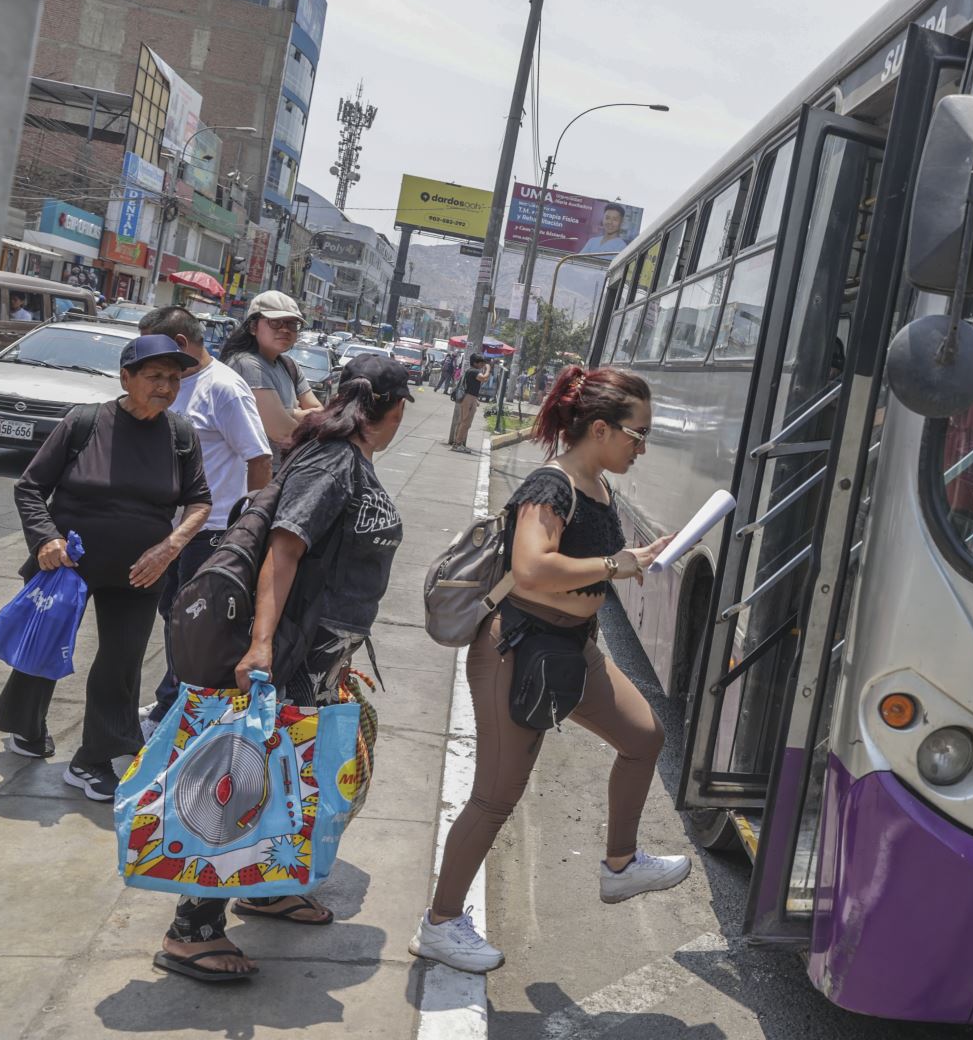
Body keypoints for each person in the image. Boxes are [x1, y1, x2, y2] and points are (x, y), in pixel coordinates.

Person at [414, 367, 683, 974]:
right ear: (599, 428)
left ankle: (620, 865)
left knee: (644, 737)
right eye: (638, 435)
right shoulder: (551, 485)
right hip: (520, 649)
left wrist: (632, 562)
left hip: (574, 647)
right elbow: (533, 568)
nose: (642, 447)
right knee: (495, 796)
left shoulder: (599, 485)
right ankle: (439, 923)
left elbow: (585, 564)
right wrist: (617, 564)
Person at [156, 354, 412, 982]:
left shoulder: (350, 458)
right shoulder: (335, 461)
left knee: (299, 779)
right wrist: (262, 646)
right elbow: (285, 548)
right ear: (394, 407)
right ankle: (192, 929)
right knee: (248, 782)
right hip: (291, 655)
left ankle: (267, 887)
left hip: (321, 658)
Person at [0, 336, 211, 799]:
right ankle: (26, 729)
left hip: (141, 570)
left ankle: (94, 759)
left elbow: (199, 502)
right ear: (126, 377)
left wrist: (170, 547)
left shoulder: (180, 435)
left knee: (122, 660)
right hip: (68, 563)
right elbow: (30, 488)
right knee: (44, 645)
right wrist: (47, 538)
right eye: (154, 376)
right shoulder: (85, 422)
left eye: (173, 378)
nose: (166, 386)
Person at [136, 307, 274, 736]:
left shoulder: (224, 389)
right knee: (171, 616)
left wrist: (248, 524)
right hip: (166, 528)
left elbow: (260, 457)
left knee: (195, 625)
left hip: (211, 531)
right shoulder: (170, 384)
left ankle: (174, 710)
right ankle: (170, 699)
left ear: (179, 344)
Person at [220, 290, 321, 466]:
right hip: (252, 477)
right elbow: (284, 433)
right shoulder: (247, 364)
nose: (284, 329)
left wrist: (289, 413)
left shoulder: (289, 365)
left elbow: (320, 413)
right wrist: (296, 412)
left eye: (291, 324)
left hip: (282, 470)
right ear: (253, 326)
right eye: (275, 322)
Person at [447, 354, 488, 452]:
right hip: (468, 398)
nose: (482, 365)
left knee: (466, 423)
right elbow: (484, 378)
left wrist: (475, 400)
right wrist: (488, 369)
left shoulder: (472, 371)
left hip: (471, 398)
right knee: (465, 422)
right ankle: (457, 444)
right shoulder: (473, 371)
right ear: (475, 363)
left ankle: (459, 443)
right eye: (481, 363)